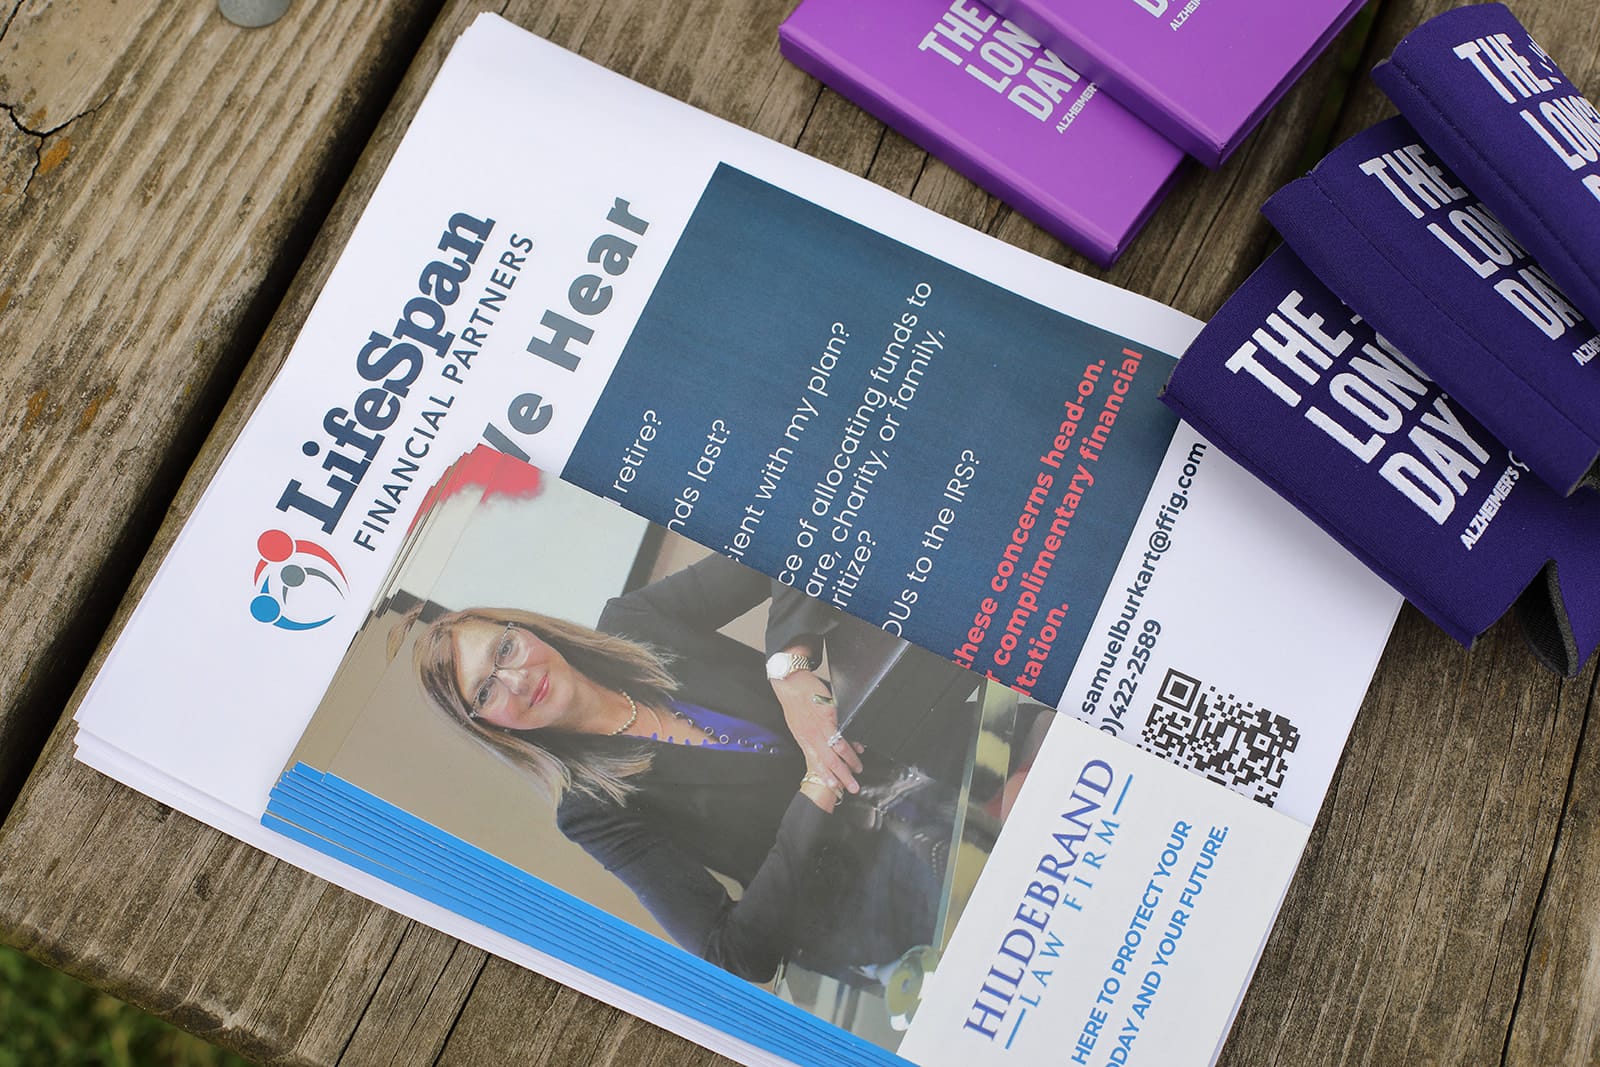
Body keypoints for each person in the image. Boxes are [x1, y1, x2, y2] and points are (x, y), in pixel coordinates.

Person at [411, 551, 955, 987]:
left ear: (525, 629)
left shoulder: (632, 623)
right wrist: (819, 782)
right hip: (884, 917)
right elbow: (730, 953)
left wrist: (788, 670)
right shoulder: (588, 812)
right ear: (488, 726)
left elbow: (786, 543)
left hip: (933, 771)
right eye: (486, 691)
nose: (517, 679)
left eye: (505, 648)